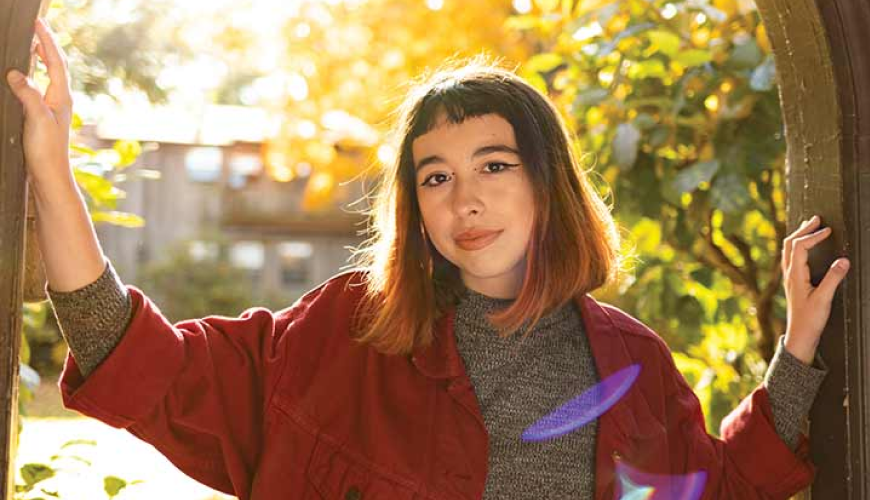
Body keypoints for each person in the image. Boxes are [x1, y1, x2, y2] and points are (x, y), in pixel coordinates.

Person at [6, 17, 851, 500]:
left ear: (546, 183)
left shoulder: (631, 363)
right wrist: (51, 169)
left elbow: (721, 486)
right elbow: (136, 357)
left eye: (493, 165)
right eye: (435, 177)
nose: (464, 200)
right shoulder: (342, 334)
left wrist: (799, 351)